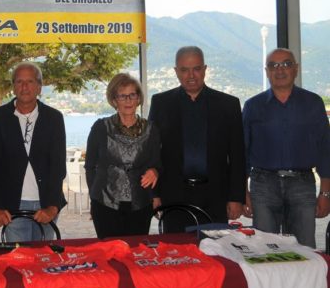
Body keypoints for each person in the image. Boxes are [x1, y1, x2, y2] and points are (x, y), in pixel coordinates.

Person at [0, 62, 66, 288]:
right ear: (13, 86)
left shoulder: (54, 118)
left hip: (44, 206)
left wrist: (54, 206)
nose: (25, 86)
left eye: (30, 81)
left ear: (40, 86)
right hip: (12, 207)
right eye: (19, 81)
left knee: (43, 271)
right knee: (17, 272)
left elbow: (58, 166)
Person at [148, 46, 246, 232]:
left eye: (196, 69)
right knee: (176, 248)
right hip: (173, 196)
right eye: (184, 70)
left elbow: (237, 155)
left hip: (216, 196)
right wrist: (154, 194)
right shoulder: (161, 103)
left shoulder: (228, 105)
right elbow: (152, 152)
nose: (191, 75)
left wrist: (236, 197)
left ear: (205, 69)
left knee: (215, 247)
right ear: (176, 71)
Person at [243, 47, 330, 246]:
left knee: (304, 250)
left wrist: (325, 193)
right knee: (266, 249)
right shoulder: (253, 106)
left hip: (302, 184)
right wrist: (243, 193)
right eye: (273, 65)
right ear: (267, 71)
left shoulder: (313, 103)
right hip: (263, 185)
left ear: (296, 69)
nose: (280, 69)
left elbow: (325, 150)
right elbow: (243, 152)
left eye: (286, 64)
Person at [85, 73, 161, 238]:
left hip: (140, 203)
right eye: (122, 96)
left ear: (138, 98)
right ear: (114, 100)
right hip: (105, 204)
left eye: (132, 95)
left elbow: (157, 163)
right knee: (109, 249)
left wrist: (154, 172)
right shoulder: (100, 128)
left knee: (136, 250)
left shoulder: (151, 129)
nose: (128, 100)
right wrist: (94, 198)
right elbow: (90, 166)